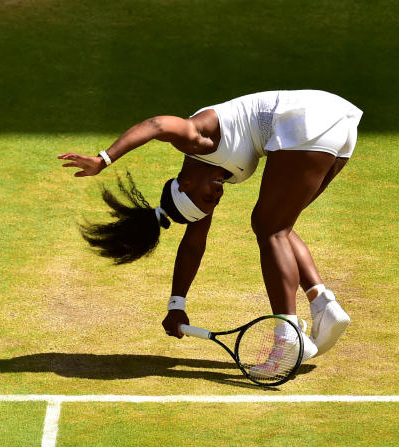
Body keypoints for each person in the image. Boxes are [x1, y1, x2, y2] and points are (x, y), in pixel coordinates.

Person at [58, 90, 359, 363]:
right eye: (213, 202)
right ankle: (323, 304)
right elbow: (193, 245)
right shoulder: (209, 178)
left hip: (304, 120)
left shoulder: (197, 138)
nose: (217, 195)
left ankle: (287, 336)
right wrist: (176, 304)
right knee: (279, 224)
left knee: (270, 228)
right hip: (339, 122)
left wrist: (104, 159)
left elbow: (157, 126)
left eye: (206, 197)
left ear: (185, 184)